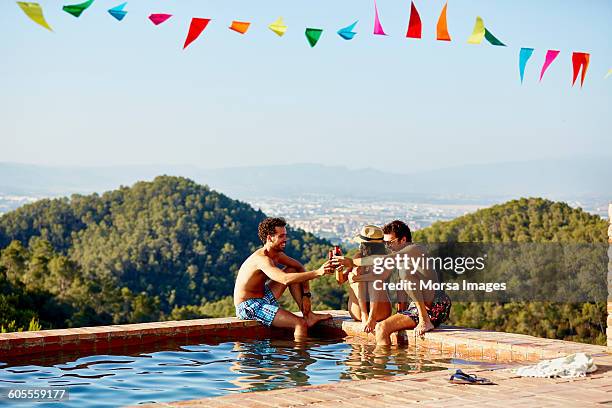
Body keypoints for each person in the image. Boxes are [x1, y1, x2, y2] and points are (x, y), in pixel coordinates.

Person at [334, 220, 451, 345]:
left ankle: (424, 320)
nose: (388, 246)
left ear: (403, 240)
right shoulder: (401, 257)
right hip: (416, 308)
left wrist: (352, 262)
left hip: (436, 304)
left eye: (390, 242)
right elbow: (403, 287)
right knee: (381, 328)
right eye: (386, 243)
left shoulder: (415, 249)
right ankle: (379, 364)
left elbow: (384, 263)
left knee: (404, 272)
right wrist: (401, 313)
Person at [234, 217, 334, 340]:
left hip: (263, 296)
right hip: (249, 306)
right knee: (300, 324)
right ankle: (302, 358)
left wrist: (306, 295)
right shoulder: (261, 259)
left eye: (285, 235)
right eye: (281, 236)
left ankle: (308, 315)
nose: (285, 239)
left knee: (292, 269)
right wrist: (318, 272)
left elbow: (299, 267)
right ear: (269, 238)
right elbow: (284, 279)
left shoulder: (276, 254)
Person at [346, 225, 392, 333]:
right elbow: (340, 280)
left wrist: (357, 278)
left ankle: (371, 316)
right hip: (358, 312)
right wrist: (339, 269)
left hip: (380, 311)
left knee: (374, 278)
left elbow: (382, 275)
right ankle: (365, 314)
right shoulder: (358, 257)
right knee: (357, 273)